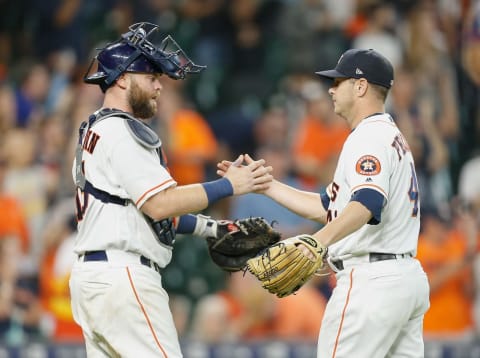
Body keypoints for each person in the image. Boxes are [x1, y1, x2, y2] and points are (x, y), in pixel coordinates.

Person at [69, 22, 272, 357]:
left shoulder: (98, 128)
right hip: (124, 278)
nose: (158, 87)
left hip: (97, 278)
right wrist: (229, 185)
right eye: (150, 77)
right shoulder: (121, 131)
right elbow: (161, 205)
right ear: (122, 78)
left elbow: (151, 216)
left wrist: (214, 227)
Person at [219, 48, 430, 357]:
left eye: (339, 82)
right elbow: (331, 206)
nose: (331, 89)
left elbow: (367, 202)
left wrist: (318, 242)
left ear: (360, 86)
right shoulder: (389, 135)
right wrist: (266, 186)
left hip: (371, 284)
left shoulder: (368, 137)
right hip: (403, 280)